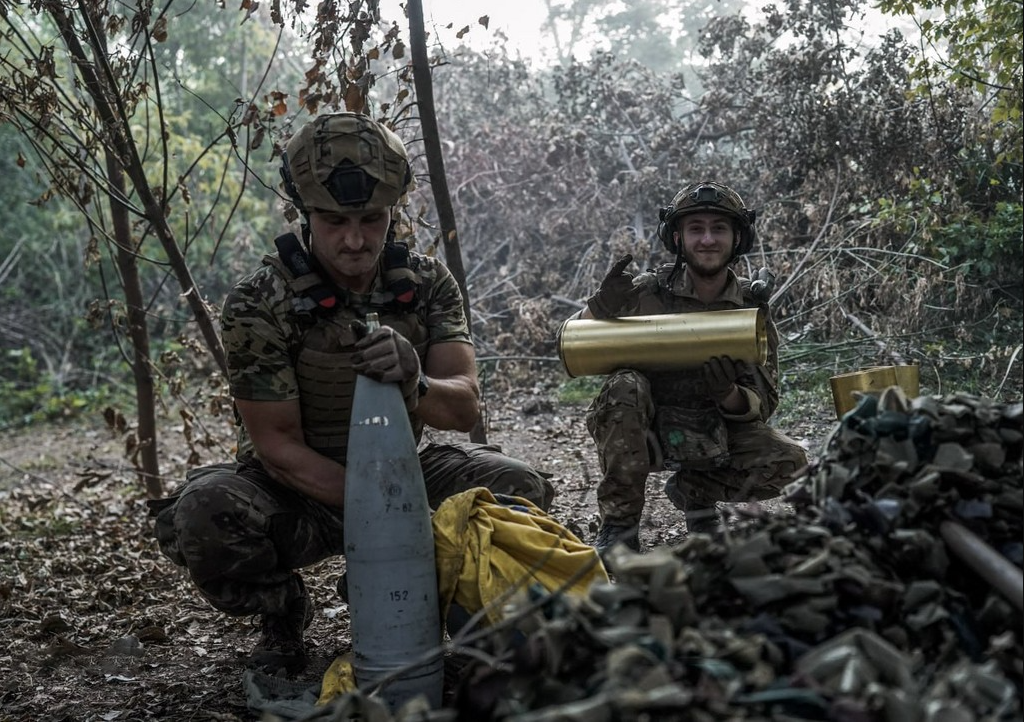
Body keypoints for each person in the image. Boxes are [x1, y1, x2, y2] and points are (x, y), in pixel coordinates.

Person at [147, 112, 554, 677]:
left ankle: (453, 610)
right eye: (335, 221)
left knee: (518, 488)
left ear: (393, 214)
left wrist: (415, 380)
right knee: (204, 514)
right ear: (305, 214)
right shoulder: (260, 301)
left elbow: (463, 409)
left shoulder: (427, 284)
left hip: (402, 467)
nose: (356, 240)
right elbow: (277, 448)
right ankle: (283, 612)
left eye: (371, 219)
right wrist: (392, 522)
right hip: (297, 491)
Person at [569, 180, 808, 553]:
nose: (708, 240)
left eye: (719, 229)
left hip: (716, 432)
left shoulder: (748, 306)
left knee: (791, 462)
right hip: (649, 430)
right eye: (696, 228)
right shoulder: (648, 291)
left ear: (737, 238)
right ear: (678, 238)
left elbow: (764, 399)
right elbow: (571, 343)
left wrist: (728, 394)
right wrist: (599, 306)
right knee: (624, 385)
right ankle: (619, 526)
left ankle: (694, 493)